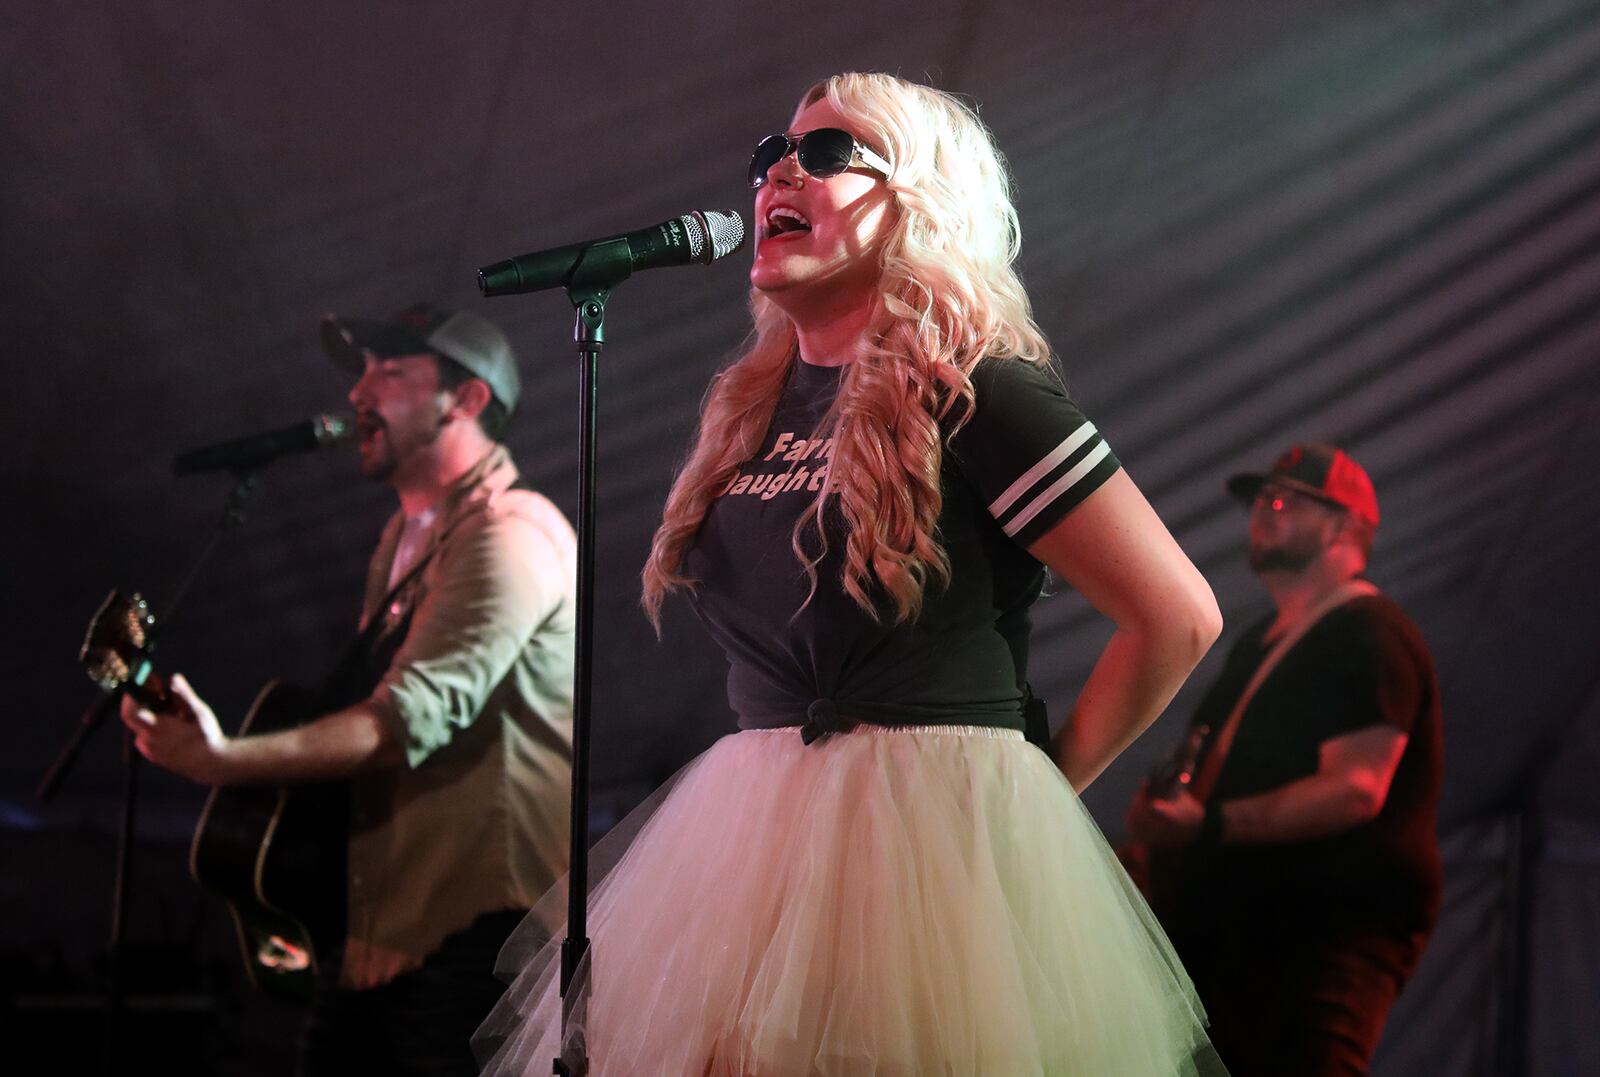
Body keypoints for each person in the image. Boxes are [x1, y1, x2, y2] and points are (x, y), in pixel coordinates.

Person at [477, 72, 1226, 1077]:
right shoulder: (750, 407)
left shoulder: (979, 392)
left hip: (925, 850)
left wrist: (1035, 797)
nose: (779, 169)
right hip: (753, 835)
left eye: (827, 153)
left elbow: (1174, 616)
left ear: (917, 200)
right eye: (768, 155)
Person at [120, 304, 575, 1076]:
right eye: (360, 371)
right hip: (379, 930)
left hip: (477, 937)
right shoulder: (402, 539)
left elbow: (401, 720)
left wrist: (224, 759)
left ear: (465, 400)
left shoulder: (510, 534)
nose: (358, 392)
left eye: (390, 371)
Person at [1126, 443, 1443, 1077]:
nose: (1261, 515)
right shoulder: (1260, 643)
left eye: (1285, 502)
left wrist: (1206, 827)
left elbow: (1355, 788)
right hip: (1238, 936)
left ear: (1346, 526)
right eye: (1259, 502)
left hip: (1321, 935)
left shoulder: (1368, 632)